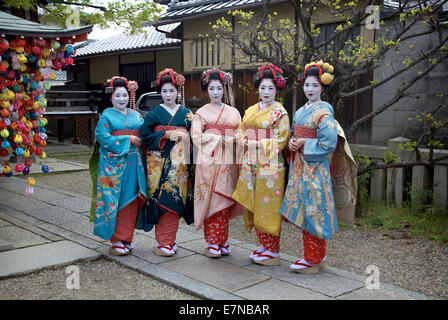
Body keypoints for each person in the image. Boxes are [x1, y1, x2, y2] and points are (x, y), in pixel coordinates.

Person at [280, 60, 358, 274]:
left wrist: (304, 143)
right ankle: (317, 255)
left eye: (315, 85)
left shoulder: (324, 112)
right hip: (301, 165)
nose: (310, 89)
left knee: (313, 211)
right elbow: (296, 135)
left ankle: (313, 259)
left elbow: (329, 143)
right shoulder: (301, 111)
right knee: (306, 209)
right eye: (307, 85)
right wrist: (293, 142)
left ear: (322, 87)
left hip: (315, 169)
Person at [232, 64, 290, 266]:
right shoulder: (250, 110)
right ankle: (264, 245)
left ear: (277, 90)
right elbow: (241, 130)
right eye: (263, 88)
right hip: (251, 161)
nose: (266, 92)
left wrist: (257, 143)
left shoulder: (280, 113)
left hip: (270, 163)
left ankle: (273, 250)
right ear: (257, 88)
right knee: (255, 202)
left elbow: (282, 138)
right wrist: (243, 140)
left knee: (268, 204)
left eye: (270, 88)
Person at [89, 76, 147, 256]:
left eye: (124, 95)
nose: (121, 99)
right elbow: (102, 137)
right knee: (117, 200)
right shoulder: (106, 116)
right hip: (114, 165)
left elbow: (144, 132)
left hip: (134, 163)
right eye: (117, 96)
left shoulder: (135, 115)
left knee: (132, 199)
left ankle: (127, 237)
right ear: (111, 98)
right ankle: (115, 240)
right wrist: (127, 139)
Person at [140, 68, 194, 257]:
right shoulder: (154, 114)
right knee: (162, 200)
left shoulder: (187, 114)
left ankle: (170, 241)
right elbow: (145, 136)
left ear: (178, 92)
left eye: (172, 91)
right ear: (160, 92)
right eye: (165, 91)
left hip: (180, 166)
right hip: (159, 165)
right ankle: (163, 242)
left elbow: (195, 138)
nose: (169, 95)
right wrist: (165, 134)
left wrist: (186, 137)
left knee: (176, 200)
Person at [191, 68, 243, 258]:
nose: (215, 93)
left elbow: (240, 131)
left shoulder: (234, 112)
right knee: (212, 199)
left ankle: (222, 240)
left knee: (225, 198)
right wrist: (217, 138)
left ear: (224, 89)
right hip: (209, 160)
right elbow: (196, 135)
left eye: (219, 88)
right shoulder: (202, 113)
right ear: (207, 90)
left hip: (228, 159)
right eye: (212, 89)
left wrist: (232, 138)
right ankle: (212, 242)